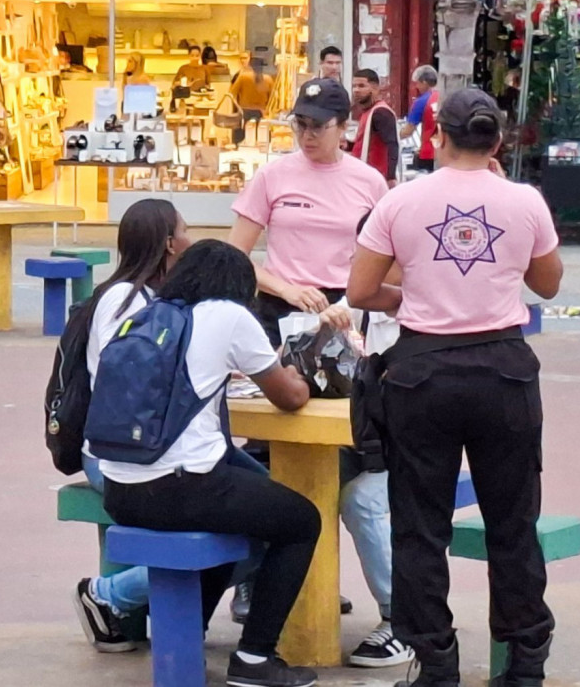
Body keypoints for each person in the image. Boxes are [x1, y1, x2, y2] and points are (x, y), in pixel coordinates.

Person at [347, 87, 563, 687]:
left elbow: (361, 291)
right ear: (497, 140)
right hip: (504, 370)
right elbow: (547, 284)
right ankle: (525, 662)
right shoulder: (525, 201)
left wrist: (417, 294)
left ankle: (435, 663)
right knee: (513, 521)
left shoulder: (401, 201)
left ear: (435, 135)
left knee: (419, 525)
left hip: (422, 373)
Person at [228, 78, 412, 669]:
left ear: (344, 127)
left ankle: (307, 569)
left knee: (351, 447)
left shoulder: (368, 183)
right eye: (300, 124)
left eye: (319, 125)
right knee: (266, 448)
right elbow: (237, 257)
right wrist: (286, 287)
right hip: (282, 315)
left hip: (348, 320)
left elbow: (392, 264)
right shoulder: (273, 177)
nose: (307, 135)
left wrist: (355, 303)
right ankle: (260, 578)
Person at [98, 239, 321, 687]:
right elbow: (289, 396)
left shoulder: (146, 315)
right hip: (180, 488)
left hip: (120, 489)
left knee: (243, 507)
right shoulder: (228, 315)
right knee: (301, 521)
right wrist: (299, 378)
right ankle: (256, 658)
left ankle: (184, 636)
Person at [72, 200, 266, 653]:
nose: (191, 238)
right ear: (168, 244)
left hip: (153, 445)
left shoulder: (151, 298)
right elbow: (142, 384)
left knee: (268, 504)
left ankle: (183, 619)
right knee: (269, 520)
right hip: (129, 452)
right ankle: (112, 595)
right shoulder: (128, 301)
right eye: (185, 229)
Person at [349, 69, 400, 187]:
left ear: (375, 88)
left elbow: (392, 145)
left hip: (375, 180)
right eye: (354, 86)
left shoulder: (380, 113)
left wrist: (390, 177)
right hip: (364, 177)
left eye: (361, 86)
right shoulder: (369, 111)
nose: (356, 90)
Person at [400, 65, 441, 173]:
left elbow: (407, 131)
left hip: (428, 154)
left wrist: (393, 135)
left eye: (417, 83)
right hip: (444, 153)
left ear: (424, 82)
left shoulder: (421, 102)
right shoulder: (444, 97)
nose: (416, 87)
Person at [230, 54, 276, 141]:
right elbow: (273, 99)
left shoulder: (243, 77)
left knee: (242, 140)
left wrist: (237, 106)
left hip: (245, 111)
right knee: (261, 140)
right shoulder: (268, 79)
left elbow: (232, 94)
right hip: (261, 113)